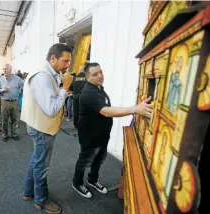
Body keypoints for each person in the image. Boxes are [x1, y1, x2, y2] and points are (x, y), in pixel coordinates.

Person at [72, 63, 152, 198]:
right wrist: (134, 109)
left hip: (102, 134)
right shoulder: (89, 93)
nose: (100, 76)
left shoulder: (99, 88)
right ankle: (77, 183)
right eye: (95, 74)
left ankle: (92, 180)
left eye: (101, 72)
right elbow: (106, 111)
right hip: (90, 136)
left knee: (99, 159)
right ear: (87, 78)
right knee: (85, 160)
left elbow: (106, 108)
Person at [21, 43, 74, 214]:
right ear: (53, 58)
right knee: (41, 165)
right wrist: (65, 88)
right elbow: (51, 109)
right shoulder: (43, 76)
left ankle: (28, 192)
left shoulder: (48, 73)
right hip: (42, 128)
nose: (67, 65)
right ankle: (41, 201)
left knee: (36, 160)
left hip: (39, 125)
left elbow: (48, 98)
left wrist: (61, 90)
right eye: (65, 61)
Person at [0, 64, 24, 142]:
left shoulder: (18, 79)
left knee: (14, 119)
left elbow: (24, 86)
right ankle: (5, 134)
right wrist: (2, 90)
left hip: (15, 102)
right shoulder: (0, 79)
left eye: (6, 69)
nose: (4, 70)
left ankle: (14, 134)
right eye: (3, 69)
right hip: (4, 102)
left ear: (10, 70)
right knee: (4, 120)